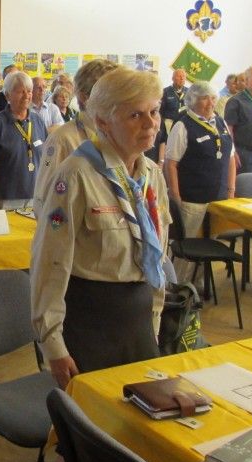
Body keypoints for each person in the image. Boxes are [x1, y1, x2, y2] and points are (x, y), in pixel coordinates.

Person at [31, 67, 170, 393]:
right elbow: (50, 261)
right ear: (104, 122)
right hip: (91, 323)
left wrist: (155, 318)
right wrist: (53, 344)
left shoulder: (151, 175)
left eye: (154, 111)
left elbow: (158, 254)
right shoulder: (76, 174)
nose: (150, 123)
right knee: (92, 429)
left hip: (138, 321)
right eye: (135, 115)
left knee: (138, 424)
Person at [165, 81, 236, 282]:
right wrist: (175, 195)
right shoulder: (183, 125)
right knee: (188, 248)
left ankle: (199, 287)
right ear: (192, 101)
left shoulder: (220, 122)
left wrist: (231, 190)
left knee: (209, 247)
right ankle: (179, 288)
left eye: (213, 98)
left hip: (218, 198)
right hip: (192, 198)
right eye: (205, 98)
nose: (211, 102)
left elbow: (230, 157)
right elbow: (171, 164)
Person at [33, 59, 119, 216]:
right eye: (110, 93)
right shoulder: (61, 140)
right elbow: (42, 201)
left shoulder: (119, 137)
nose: (119, 100)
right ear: (85, 97)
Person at [0, 71, 47, 210]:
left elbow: (46, 160)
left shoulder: (38, 121)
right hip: (5, 199)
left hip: (36, 198)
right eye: (21, 92)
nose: (27, 96)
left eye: (29, 91)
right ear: (8, 95)